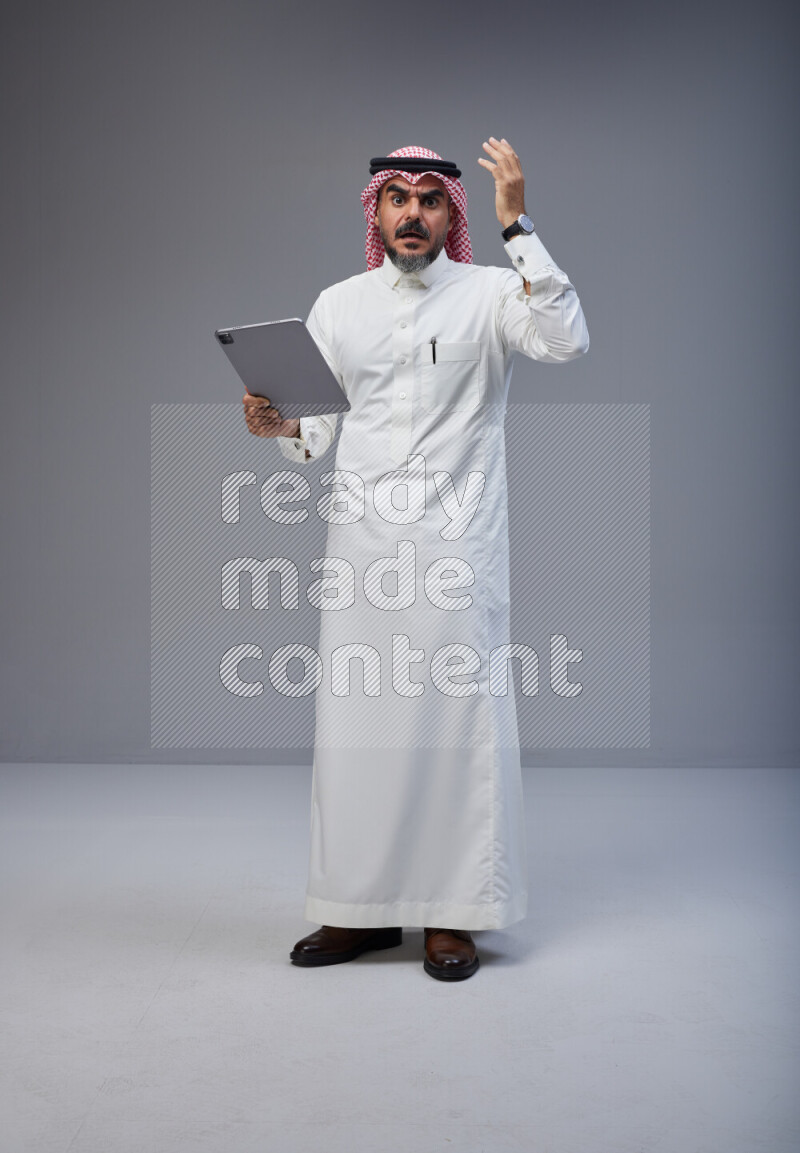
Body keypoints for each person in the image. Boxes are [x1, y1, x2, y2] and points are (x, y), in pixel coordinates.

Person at [243, 138, 589, 981]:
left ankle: (451, 915)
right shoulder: (338, 305)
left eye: (429, 200)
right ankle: (359, 912)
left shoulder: (494, 293)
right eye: (396, 199)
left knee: (455, 730)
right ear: (376, 213)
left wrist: (519, 224)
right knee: (359, 733)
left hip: (456, 549)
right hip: (362, 551)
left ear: (451, 214)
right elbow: (318, 430)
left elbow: (566, 338)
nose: (412, 214)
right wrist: (279, 424)